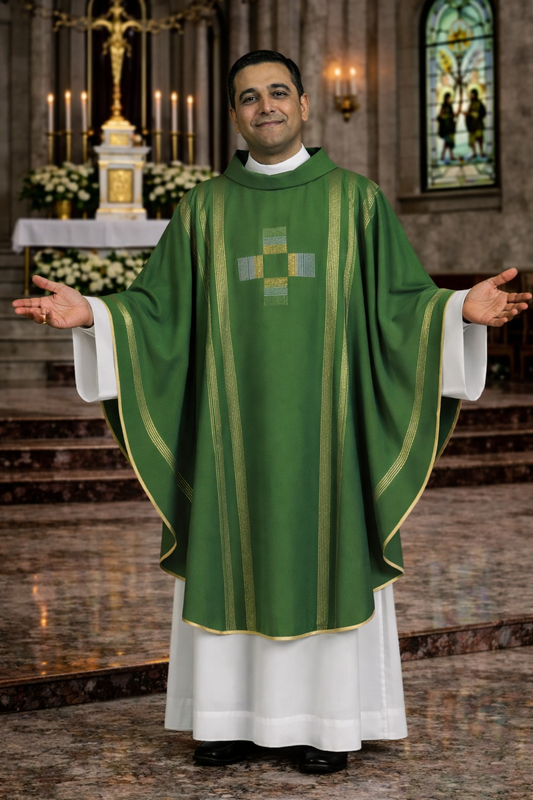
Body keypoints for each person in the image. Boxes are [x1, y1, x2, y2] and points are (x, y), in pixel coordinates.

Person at [12, 50, 530, 775]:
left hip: (328, 435)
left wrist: (453, 311)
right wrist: (95, 313)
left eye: (278, 93)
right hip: (232, 437)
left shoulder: (356, 201)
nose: (266, 107)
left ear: (304, 106)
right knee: (231, 550)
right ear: (234, 115)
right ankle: (224, 721)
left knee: (321, 548)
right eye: (249, 98)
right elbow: (158, 312)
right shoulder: (204, 207)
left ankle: (326, 725)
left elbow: (397, 306)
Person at [464, 88, 487, 160]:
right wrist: (467, 114)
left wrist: (476, 114)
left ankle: (482, 152)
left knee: (479, 138)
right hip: (472, 125)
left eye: (472, 95)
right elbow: (469, 114)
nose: (471, 96)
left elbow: (483, 113)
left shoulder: (479, 103)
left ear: (476, 95)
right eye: (471, 95)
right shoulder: (470, 104)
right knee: (472, 140)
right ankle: (474, 153)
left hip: (478, 124)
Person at [437, 91, 457, 162]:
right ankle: (446, 156)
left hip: (450, 126)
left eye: (449, 98)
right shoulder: (443, 106)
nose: (449, 100)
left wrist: (453, 117)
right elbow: (441, 116)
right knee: (447, 141)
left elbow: (452, 115)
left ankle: (444, 156)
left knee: (448, 142)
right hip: (445, 126)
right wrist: (445, 117)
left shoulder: (450, 106)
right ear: (445, 99)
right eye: (448, 98)